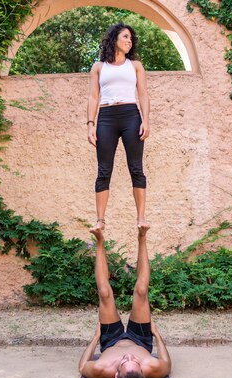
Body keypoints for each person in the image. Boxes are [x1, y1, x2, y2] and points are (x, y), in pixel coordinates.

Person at [78, 225, 171, 378]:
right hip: (140, 339)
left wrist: (95, 338)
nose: (129, 356)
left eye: (124, 362)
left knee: (105, 293)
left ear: (116, 375)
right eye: (134, 361)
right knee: (142, 291)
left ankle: (99, 240)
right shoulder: (154, 369)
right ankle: (142, 237)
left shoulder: (101, 369)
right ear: (143, 373)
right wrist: (157, 335)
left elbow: (82, 366)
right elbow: (166, 362)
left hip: (111, 340)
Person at [86, 22, 151, 235]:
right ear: (114, 39)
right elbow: (94, 97)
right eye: (125, 36)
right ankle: (100, 221)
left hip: (131, 116)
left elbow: (142, 94)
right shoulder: (98, 67)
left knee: (136, 168)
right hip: (106, 118)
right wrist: (90, 124)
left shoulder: (135, 66)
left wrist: (146, 120)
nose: (129, 41)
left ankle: (141, 217)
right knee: (104, 170)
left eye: (131, 38)